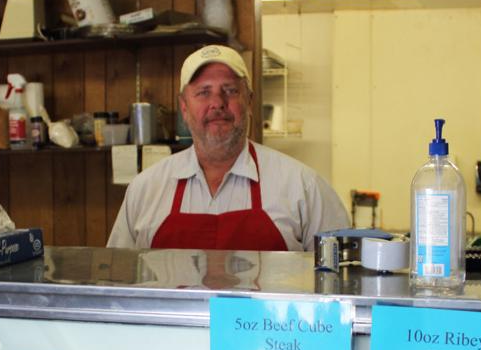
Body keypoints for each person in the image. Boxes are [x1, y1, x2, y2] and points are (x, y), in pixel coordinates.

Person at [107, 45, 349, 251]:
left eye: (230, 91)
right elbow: (118, 282)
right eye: (203, 92)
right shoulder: (145, 189)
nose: (217, 103)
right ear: (184, 107)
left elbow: (341, 282)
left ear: (250, 102)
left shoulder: (303, 187)